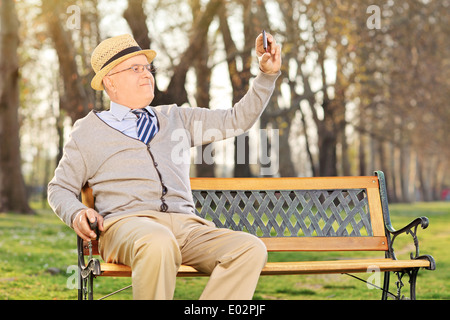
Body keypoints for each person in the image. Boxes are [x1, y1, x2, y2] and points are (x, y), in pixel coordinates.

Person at [48, 33, 281, 300]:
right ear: (110, 82)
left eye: (148, 68)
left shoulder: (176, 117)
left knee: (249, 248)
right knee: (157, 240)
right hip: (128, 227)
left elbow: (236, 119)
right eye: (135, 68)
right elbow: (59, 188)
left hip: (188, 228)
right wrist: (77, 212)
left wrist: (266, 75)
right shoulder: (88, 132)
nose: (147, 74)